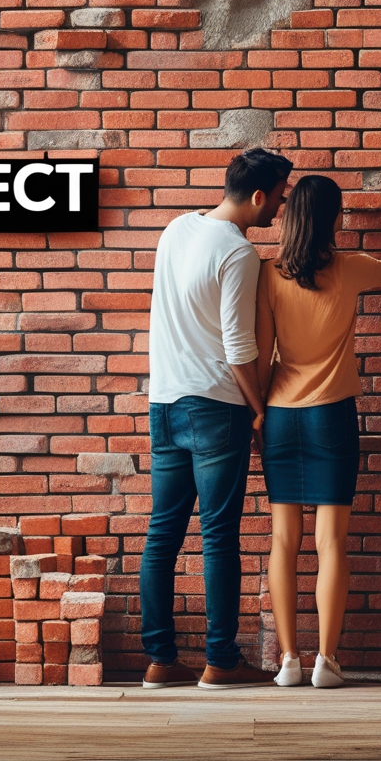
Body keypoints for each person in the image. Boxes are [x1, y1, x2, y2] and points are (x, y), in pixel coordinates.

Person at [256, 170, 381, 688]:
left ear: (289, 218)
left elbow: (265, 353)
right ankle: (326, 662)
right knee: (330, 542)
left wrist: (259, 417)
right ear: (335, 218)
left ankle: (288, 660)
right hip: (331, 415)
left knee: (282, 542)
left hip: (281, 415)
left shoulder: (270, 275)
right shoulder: (351, 268)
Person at [141, 147, 293, 689]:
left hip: (164, 402)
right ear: (257, 196)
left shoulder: (176, 229)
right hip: (215, 407)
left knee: (163, 533)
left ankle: (160, 661)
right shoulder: (239, 253)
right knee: (219, 536)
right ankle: (220, 660)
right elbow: (238, 345)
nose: (278, 209)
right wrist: (260, 411)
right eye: (277, 198)